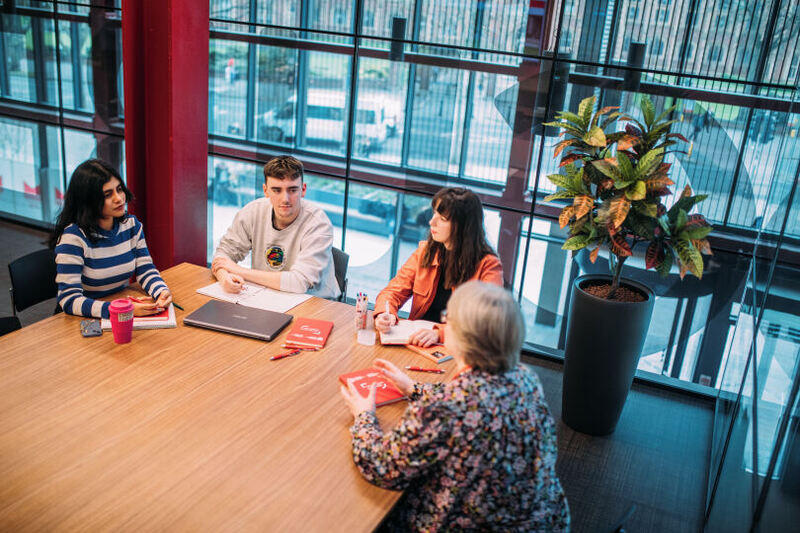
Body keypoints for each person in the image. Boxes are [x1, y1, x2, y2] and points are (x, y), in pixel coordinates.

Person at [340, 281, 570, 531]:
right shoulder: (526, 378)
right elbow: (477, 396)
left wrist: (364, 416)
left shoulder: (444, 408)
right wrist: (413, 388)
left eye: (447, 318)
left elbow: (382, 466)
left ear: (462, 336)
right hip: (545, 521)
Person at [374, 187, 502, 346]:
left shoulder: (488, 265)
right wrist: (385, 314)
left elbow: (486, 323)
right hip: (418, 342)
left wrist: (439, 334)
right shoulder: (426, 251)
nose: (431, 221)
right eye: (434, 213)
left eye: (442, 218)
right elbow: (392, 291)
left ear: (462, 226)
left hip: (460, 348)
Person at [49, 159, 172, 318]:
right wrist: (120, 311)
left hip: (118, 305)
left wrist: (161, 291)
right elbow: (69, 299)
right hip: (82, 318)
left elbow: (145, 269)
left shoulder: (131, 225)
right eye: (108, 194)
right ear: (89, 201)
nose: (119, 198)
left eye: (119, 189)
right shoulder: (73, 238)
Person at [211, 155, 340, 299]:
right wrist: (224, 277)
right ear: (265, 190)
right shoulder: (253, 212)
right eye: (277, 190)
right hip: (266, 295)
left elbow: (298, 283)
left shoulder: (318, 224)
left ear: (303, 190)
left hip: (314, 302)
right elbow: (223, 255)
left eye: (292, 190)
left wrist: (239, 271)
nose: (285, 199)